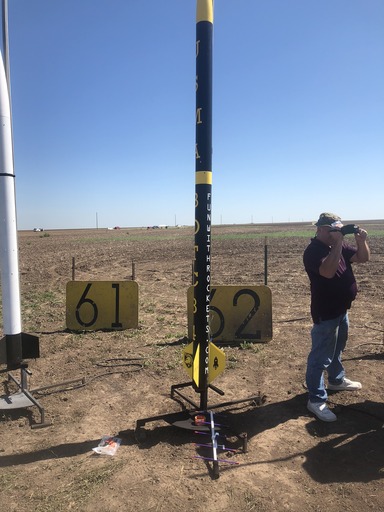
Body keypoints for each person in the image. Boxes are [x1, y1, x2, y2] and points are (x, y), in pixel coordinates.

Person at [303, 212, 370, 422]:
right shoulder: (313, 251)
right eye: (335, 230)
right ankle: (315, 399)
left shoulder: (336, 246)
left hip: (341, 310)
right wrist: (339, 244)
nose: (338, 233)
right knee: (320, 357)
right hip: (326, 312)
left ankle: (336, 380)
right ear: (322, 229)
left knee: (337, 348)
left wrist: (361, 242)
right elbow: (328, 272)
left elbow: (363, 258)